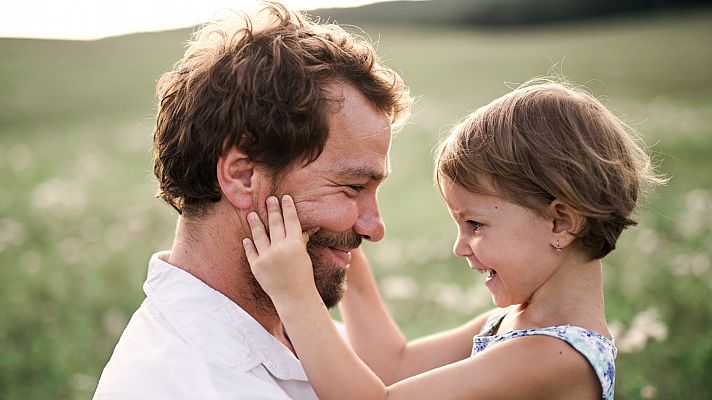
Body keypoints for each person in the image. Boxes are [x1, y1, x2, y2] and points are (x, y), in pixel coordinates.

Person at [243, 80, 665, 400]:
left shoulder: (556, 357)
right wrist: (344, 246)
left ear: (560, 223)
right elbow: (394, 366)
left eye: (476, 225)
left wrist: (297, 297)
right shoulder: (513, 324)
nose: (460, 247)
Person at [92, 1, 412, 398]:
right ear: (243, 176)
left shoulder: (306, 336)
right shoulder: (182, 384)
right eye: (352, 187)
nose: (374, 228)